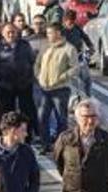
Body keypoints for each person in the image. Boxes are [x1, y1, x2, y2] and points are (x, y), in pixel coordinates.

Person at [35, 23, 78, 151]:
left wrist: (61, 77)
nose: (48, 35)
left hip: (60, 89)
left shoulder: (69, 48)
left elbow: (75, 68)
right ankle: (45, 144)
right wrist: (39, 77)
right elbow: (37, 63)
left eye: (50, 33)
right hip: (44, 89)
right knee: (42, 117)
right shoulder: (45, 47)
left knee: (61, 118)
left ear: (58, 33)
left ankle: (60, 145)